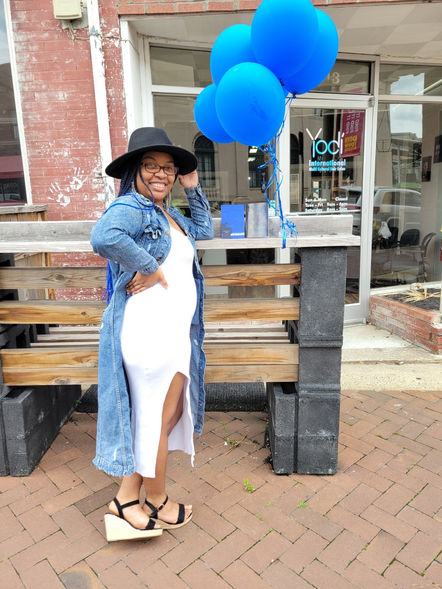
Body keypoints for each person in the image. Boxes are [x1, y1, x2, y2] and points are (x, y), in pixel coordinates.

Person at [90, 127, 214, 542]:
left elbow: (204, 231)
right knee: (157, 417)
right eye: (151, 165)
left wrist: (192, 185)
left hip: (172, 333)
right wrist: (150, 265)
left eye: (168, 167)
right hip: (148, 333)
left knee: (162, 416)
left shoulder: (166, 213)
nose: (161, 174)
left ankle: (127, 497)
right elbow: (103, 236)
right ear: (134, 171)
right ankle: (156, 498)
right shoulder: (133, 207)